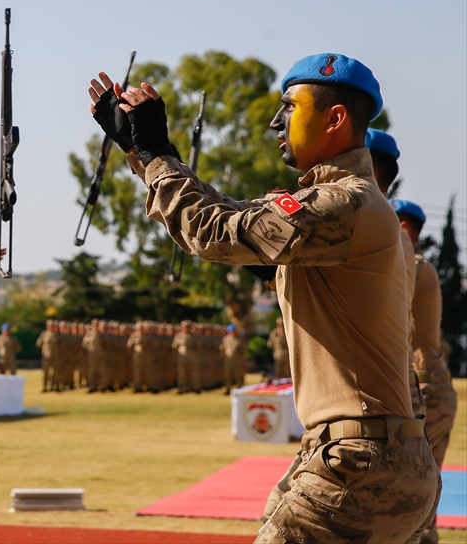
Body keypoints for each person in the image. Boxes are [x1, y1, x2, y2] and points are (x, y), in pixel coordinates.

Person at [87, 52, 439, 543]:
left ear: (335, 119)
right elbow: (230, 217)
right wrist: (144, 154)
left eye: (290, 107)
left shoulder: (345, 202)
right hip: (371, 457)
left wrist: (159, 154)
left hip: (359, 463)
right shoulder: (347, 205)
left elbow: (214, 231)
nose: (277, 121)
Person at [393, 199, 457, 544]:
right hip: (432, 385)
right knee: (419, 502)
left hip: (426, 389)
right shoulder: (417, 265)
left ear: (403, 230)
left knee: (414, 503)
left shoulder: (412, 265)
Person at [221, 324, 244, 394]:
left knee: (237, 374)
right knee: (228, 375)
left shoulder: (238, 340)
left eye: (233, 331)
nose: (232, 332)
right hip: (228, 360)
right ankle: (228, 389)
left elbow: (242, 350)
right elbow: (222, 348)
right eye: (230, 331)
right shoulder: (225, 339)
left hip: (237, 360)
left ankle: (239, 388)